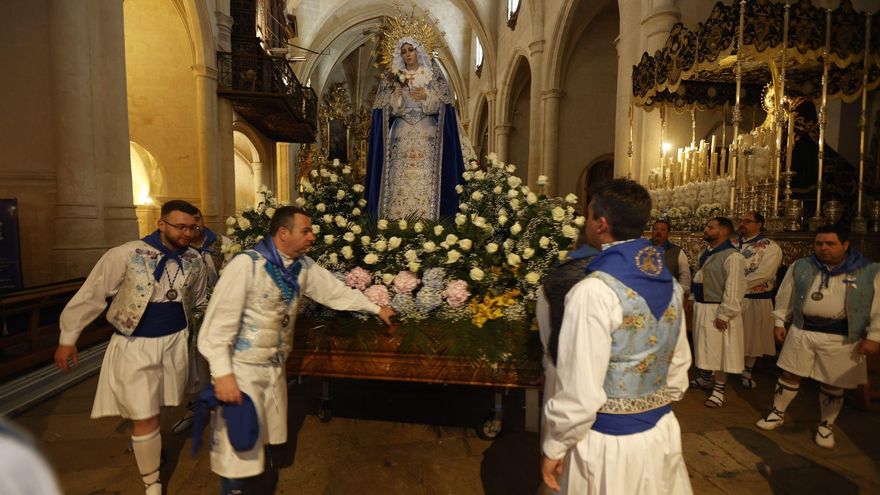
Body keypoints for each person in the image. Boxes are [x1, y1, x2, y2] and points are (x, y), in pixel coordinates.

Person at [197, 206, 395, 494]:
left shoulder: (303, 266)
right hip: (241, 371)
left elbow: (334, 293)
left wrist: (377, 309)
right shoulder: (247, 265)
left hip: (274, 368)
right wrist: (223, 373)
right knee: (237, 448)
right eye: (306, 231)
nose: (312, 237)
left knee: (262, 444)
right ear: (283, 233)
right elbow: (216, 324)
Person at [541, 179, 692, 494]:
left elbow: (580, 391)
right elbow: (678, 365)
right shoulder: (672, 286)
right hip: (661, 430)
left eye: (589, 215)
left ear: (601, 224)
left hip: (608, 443)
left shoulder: (593, 291)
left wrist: (556, 445)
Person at [54, 200, 208, 495]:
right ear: (161, 224)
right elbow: (92, 294)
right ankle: (152, 482)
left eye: (192, 227)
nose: (187, 232)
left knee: (161, 404)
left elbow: (199, 301)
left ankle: (147, 442)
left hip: (175, 342)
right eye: (180, 226)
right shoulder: (125, 254)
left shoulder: (194, 260)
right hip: (135, 344)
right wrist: (68, 337)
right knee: (145, 413)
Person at [756, 224, 880, 448]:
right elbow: (786, 295)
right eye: (819, 243)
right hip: (803, 330)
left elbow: (878, 305)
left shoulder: (867, 270)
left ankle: (826, 425)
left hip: (842, 336)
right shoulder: (802, 265)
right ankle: (777, 412)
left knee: (833, 383)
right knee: (789, 373)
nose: (823, 248)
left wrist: (874, 336)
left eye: (830, 243)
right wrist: (779, 321)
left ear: (845, 245)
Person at [365, 36, 466, 220]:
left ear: (418, 50)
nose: (408, 55)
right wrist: (397, 98)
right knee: (399, 176)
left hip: (426, 133)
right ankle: (398, 218)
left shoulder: (431, 75)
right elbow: (385, 111)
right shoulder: (394, 77)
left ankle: (427, 218)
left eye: (411, 50)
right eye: (404, 52)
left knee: (425, 176)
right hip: (400, 133)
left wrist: (427, 97)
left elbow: (444, 106)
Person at [536, 225, 599, 453]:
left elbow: (545, 325)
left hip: (562, 367)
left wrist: (548, 361)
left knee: (559, 445)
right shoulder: (619, 276)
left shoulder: (557, 275)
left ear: (575, 244)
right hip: (602, 379)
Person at [171, 208, 233, 434]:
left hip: (222, 310)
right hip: (192, 313)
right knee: (194, 362)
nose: (194, 225)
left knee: (218, 358)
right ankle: (196, 405)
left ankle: (221, 402)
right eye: (188, 223)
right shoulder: (179, 249)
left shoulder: (223, 243)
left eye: (198, 219)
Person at [689, 217, 746, 408]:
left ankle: (719, 388)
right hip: (703, 306)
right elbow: (697, 275)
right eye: (706, 226)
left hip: (718, 308)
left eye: (710, 227)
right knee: (705, 346)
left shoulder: (733, 256)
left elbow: (734, 287)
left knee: (721, 349)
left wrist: (725, 313)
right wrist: (691, 298)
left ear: (723, 232)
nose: (706, 230)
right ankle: (706, 378)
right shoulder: (706, 253)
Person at [732, 211, 782, 389]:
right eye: (741, 220)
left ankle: (747, 370)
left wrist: (737, 284)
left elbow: (765, 273)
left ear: (759, 224)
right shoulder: (732, 243)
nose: (743, 223)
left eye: (748, 221)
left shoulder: (770, 247)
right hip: (731, 298)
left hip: (755, 298)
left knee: (752, 337)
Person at [650, 219, 692, 297]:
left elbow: (685, 275)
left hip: (669, 296)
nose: (658, 232)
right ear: (652, 232)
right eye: (656, 229)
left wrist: (680, 293)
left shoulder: (677, 251)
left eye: (662, 230)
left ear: (668, 233)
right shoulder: (643, 250)